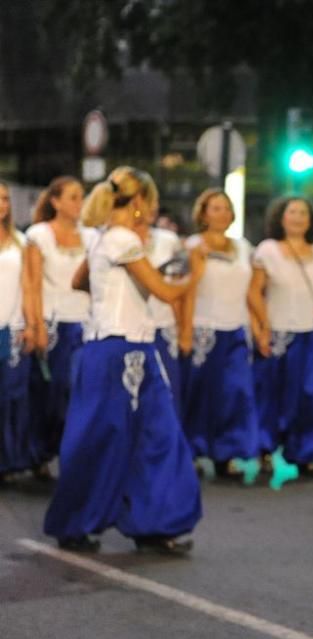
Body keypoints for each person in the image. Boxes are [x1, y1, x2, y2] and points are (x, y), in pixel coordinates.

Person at [43, 167, 204, 554]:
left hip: (120, 347)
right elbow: (166, 292)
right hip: (121, 350)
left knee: (150, 436)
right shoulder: (123, 239)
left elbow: (78, 281)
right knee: (115, 438)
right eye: (150, 203)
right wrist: (194, 275)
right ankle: (89, 522)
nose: (152, 210)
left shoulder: (100, 238)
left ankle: (149, 522)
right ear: (137, 203)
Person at [248, 197, 313, 473]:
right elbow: (254, 292)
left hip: (311, 335)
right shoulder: (267, 250)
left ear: (310, 220)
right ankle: (264, 448)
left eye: (304, 213)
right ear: (281, 218)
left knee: (312, 395)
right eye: (292, 212)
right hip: (278, 334)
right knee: (270, 394)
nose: (298, 217)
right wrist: (262, 328)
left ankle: (308, 452)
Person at [181, 189, 261, 477]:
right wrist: (185, 331)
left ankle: (226, 453)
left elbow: (251, 292)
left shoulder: (243, 247)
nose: (222, 213)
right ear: (202, 213)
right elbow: (186, 290)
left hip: (236, 328)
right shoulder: (192, 245)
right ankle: (192, 450)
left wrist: (261, 326)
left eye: (226, 208)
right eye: (215, 208)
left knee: (235, 393)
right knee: (199, 394)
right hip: (204, 329)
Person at [24, 176, 95, 478]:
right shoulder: (39, 234)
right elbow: (32, 284)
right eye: (73, 197)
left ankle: (74, 456)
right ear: (55, 201)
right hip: (54, 325)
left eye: (82, 197)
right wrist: (36, 324)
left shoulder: (92, 236)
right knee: (52, 394)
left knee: (81, 395)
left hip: (87, 325)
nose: (79, 203)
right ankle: (40, 452)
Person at [0, 181, 37, 480]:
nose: (2, 204)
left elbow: (29, 287)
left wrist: (31, 325)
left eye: (4, 199)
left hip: (11, 328)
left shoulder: (20, 242)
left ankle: (7, 459)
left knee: (10, 397)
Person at [138, 206, 186, 414]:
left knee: (167, 393)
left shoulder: (168, 240)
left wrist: (183, 327)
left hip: (163, 325)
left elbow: (175, 289)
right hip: (128, 328)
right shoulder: (114, 239)